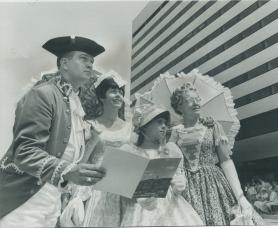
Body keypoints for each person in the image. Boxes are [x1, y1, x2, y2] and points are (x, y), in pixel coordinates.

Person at [0, 36, 107, 227]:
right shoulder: (43, 94)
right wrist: (69, 170)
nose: (90, 65)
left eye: (92, 61)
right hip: (25, 197)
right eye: (83, 58)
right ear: (64, 64)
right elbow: (25, 152)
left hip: (53, 198)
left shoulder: (75, 104)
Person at [169, 82, 264, 225]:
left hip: (215, 185)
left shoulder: (213, 126)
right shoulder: (174, 132)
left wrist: (240, 196)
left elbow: (226, 161)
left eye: (198, 99)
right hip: (186, 189)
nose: (196, 103)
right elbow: (170, 164)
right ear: (179, 105)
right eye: (190, 99)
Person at [60, 71, 133, 227]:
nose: (118, 95)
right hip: (99, 189)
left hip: (126, 186)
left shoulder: (130, 127)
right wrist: (93, 139)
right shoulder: (91, 125)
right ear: (101, 96)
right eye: (113, 91)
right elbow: (81, 161)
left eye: (120, 91)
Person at [120, 94, 204, 226]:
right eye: (159, 122)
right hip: (140, 213)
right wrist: (139, 195)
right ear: (144, 126)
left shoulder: (170, 150)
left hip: (171, 209)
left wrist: (179, 184)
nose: (164, 126)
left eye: (165, 122)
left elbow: (177, 183)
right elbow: (123, 191)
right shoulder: (130, 152)